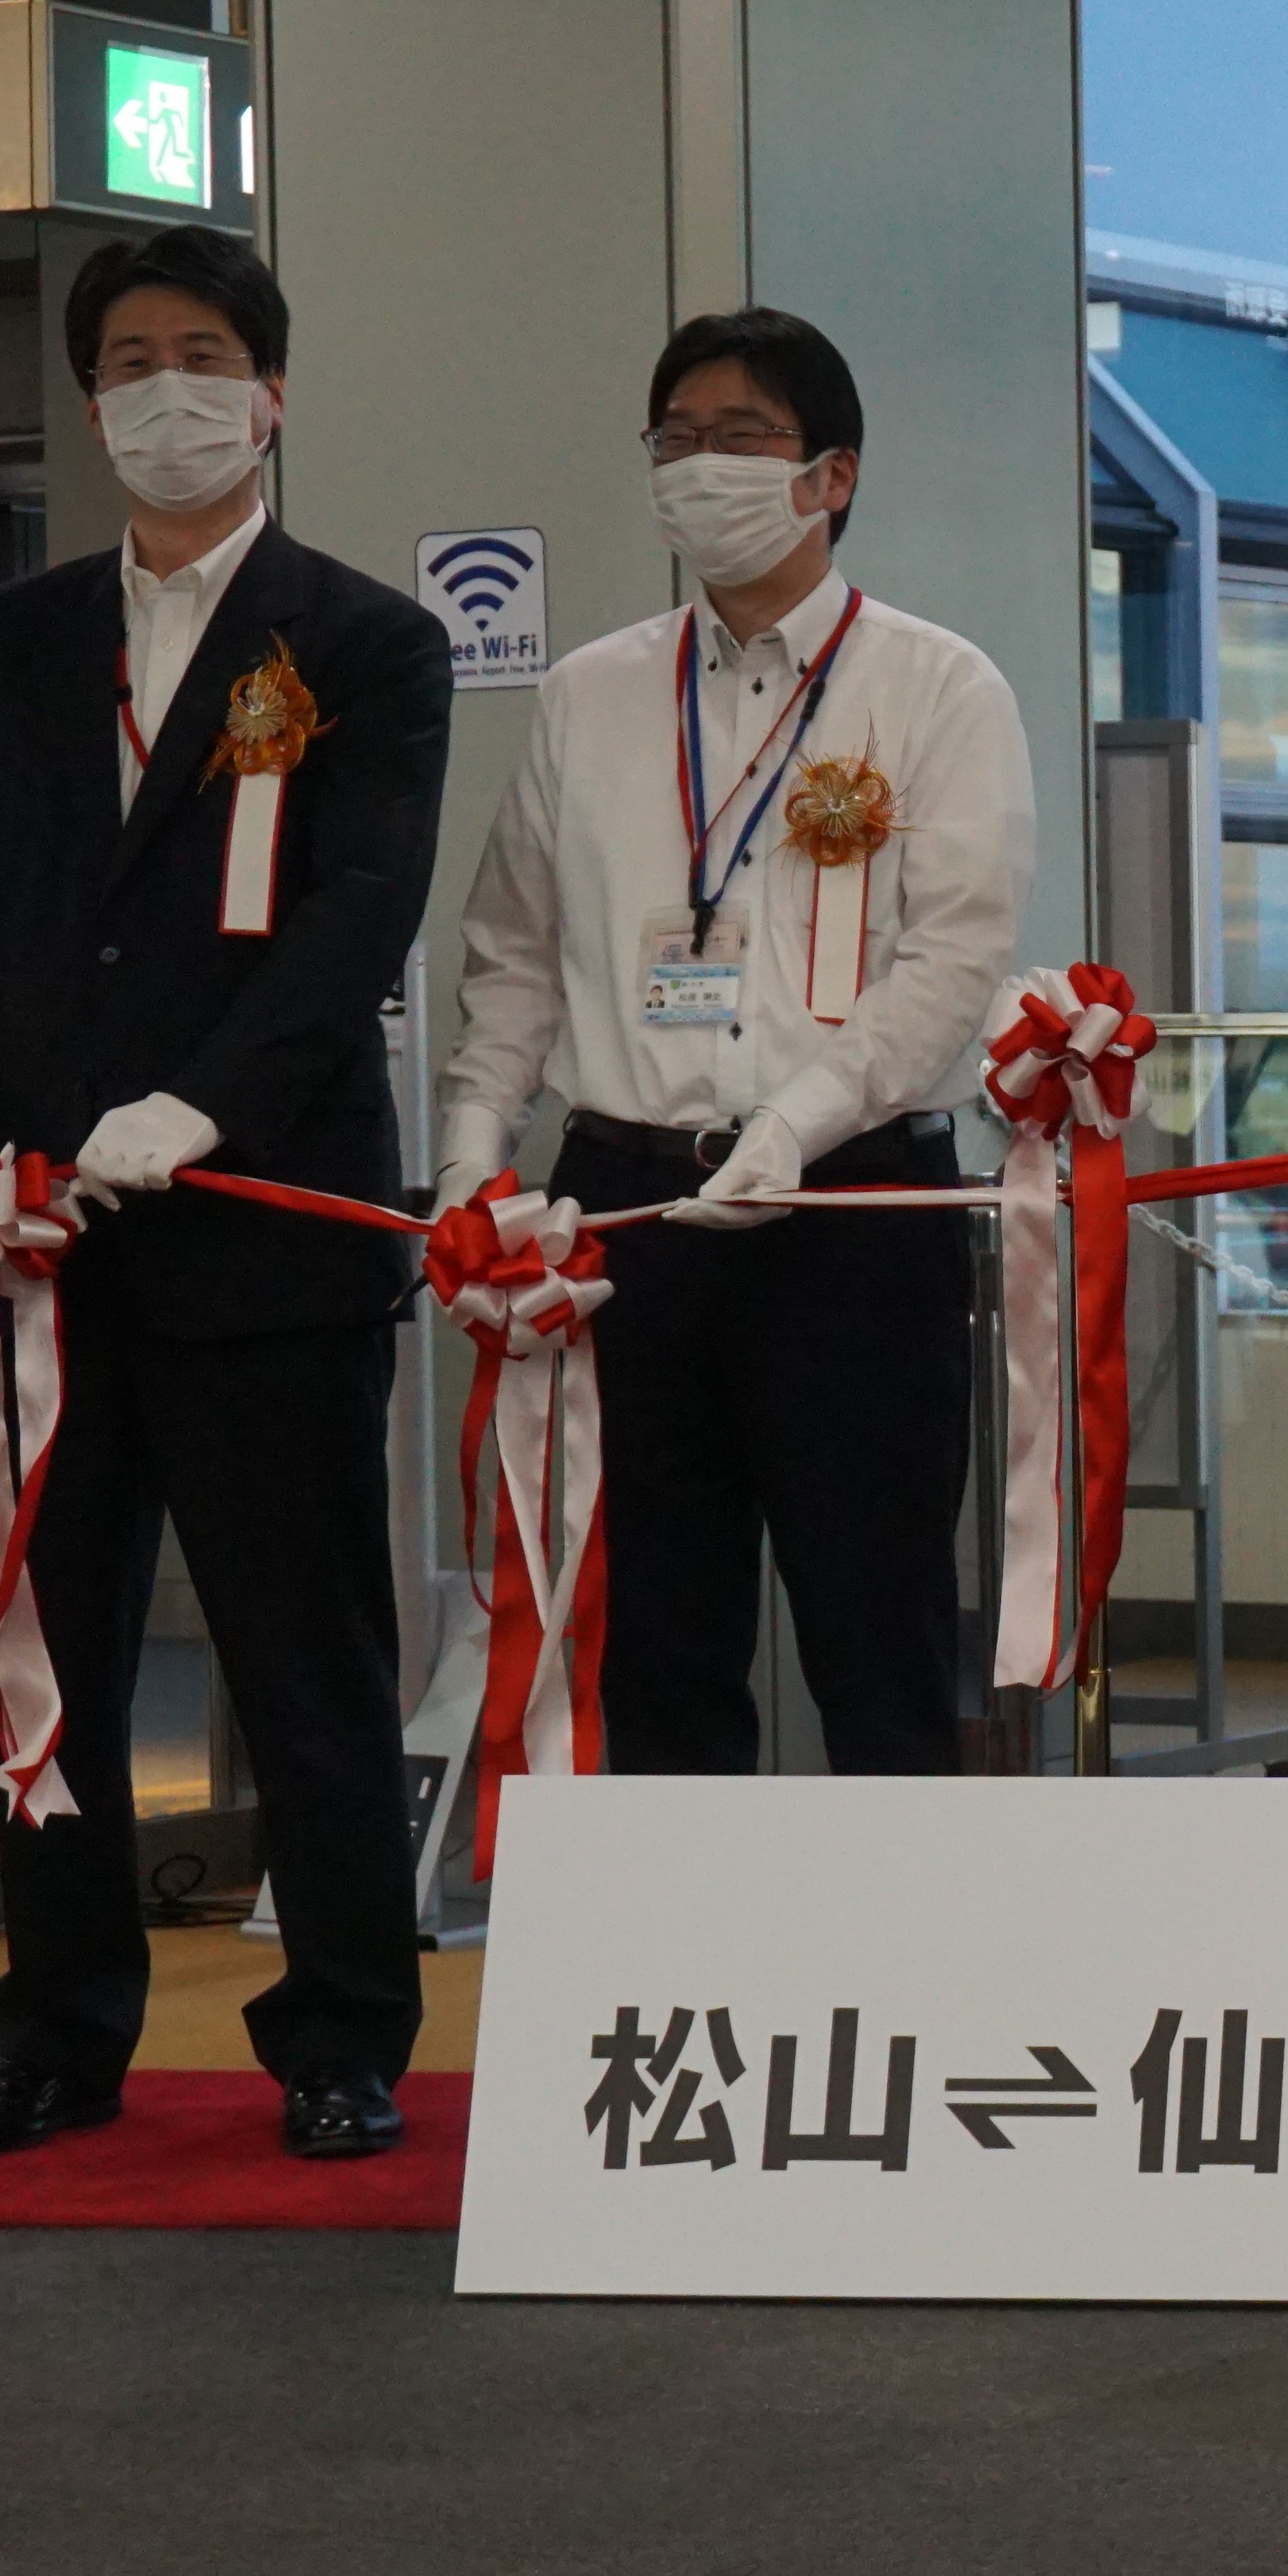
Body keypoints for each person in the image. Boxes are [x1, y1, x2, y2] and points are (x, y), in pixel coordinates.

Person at [0, 229, 450, 2161]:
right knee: (42, 1652)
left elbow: (352, 923)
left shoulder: (366, 642)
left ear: (274, 390)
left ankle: (342, 2032)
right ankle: (58, 2028)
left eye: (209, 353)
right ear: (89, 398)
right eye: (134, 358)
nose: (171, 389)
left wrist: (199, 1108)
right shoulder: (7, 640)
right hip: (36, 1246)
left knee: (298, 1651)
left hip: (262, 1233)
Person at [444, 309, 1032, 1775]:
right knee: (654, 1635)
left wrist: (797, 1124)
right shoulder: (591, 692)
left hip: (852, 1212)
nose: (700, 467)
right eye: (676, 440)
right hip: (627, 1214)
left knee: (878, 1631)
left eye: (743, 439)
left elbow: (950, 962)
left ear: (830, 475)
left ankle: (893, 1985)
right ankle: (680, 1983)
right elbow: (513, 950)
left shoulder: (938, 686)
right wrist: (469, 1162)